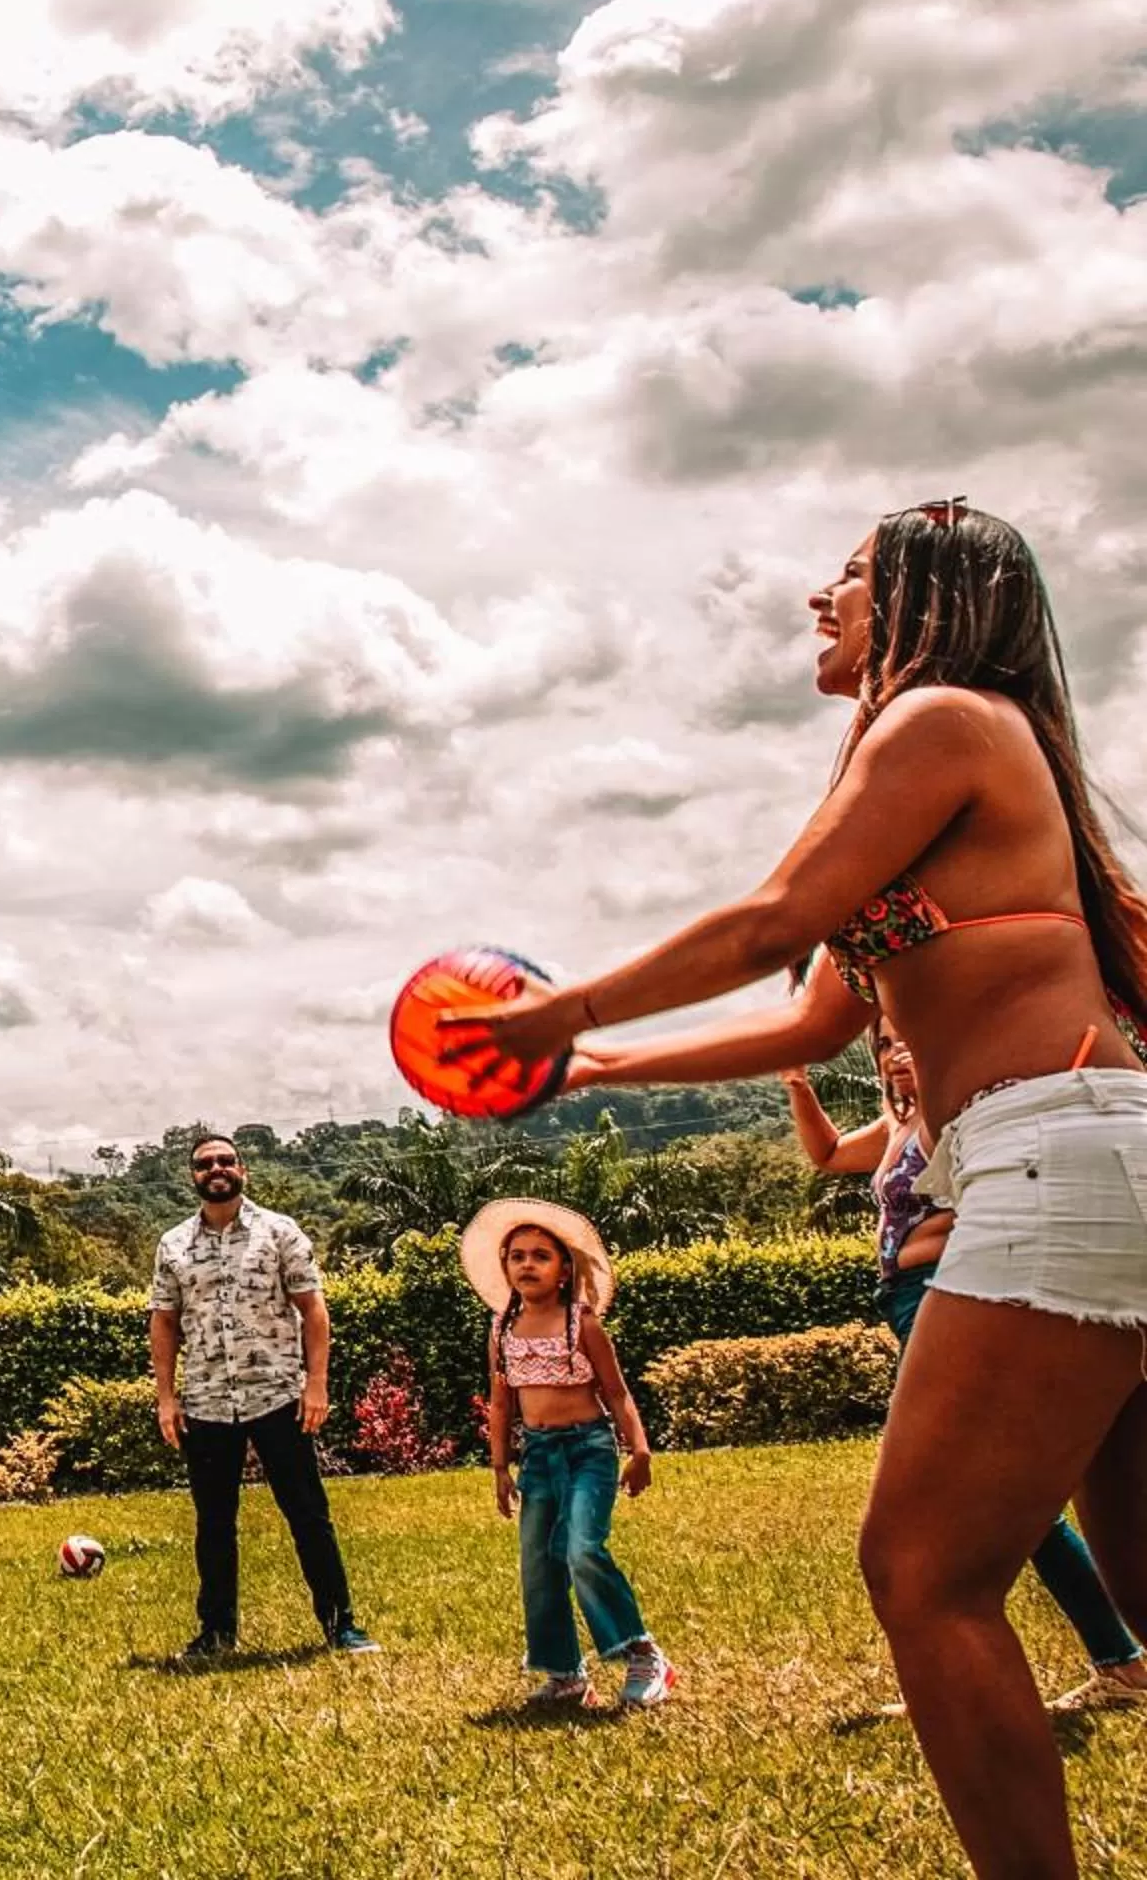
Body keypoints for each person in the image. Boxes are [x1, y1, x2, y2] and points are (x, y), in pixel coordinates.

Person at [444, 500, 1147, 1879]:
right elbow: (820, 1018)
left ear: (927, 599)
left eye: (850, 576)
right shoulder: (951, 752)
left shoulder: (941, 715)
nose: (817, 598)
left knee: (924, 1578)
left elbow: (770, 921)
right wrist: (594, 1065)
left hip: (1055, 1153)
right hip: (1091, 1153)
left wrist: (554, 1007)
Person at [781, 1025, 1147, 1716]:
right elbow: (827, 1154)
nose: (897, 1051)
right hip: (908, 1298)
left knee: (995, 1494)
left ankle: (1104, 1658)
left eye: (907, 1036)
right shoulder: (901, 1124)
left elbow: (998, 1199)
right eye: (885, 1043)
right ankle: (1117, 1659)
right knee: (1011, 1498)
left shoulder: (960, 1114)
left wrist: (917, 1245)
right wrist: (798, 1083)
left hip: (950, 1289)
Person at [149, 1134, 379, 1658]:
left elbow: (313, 1311)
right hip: (205, 1401)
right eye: (205, 1164)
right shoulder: (173, 1244)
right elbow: (164, 1322)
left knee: (308, 1514)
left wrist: (315, 1384)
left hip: (278, 1395)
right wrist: (166, 1397)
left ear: (243, 1170)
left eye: (226, 1161)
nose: (216, 1169)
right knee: (213, 1525)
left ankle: (341, 1626)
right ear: (193, 1177)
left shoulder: (279, 1232)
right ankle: (215, 1633)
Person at [467, 1200, 673, 1710]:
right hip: (538, 1456)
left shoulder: (581, 1324)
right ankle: (565, 1674)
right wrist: (499, 1465)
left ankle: (644, 1654)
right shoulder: (501, 1329)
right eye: (517, 1256)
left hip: (588, 1449)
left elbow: (618, 1392)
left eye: (541, 1255)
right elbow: (500, 1400)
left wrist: (639, 1449)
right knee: (539, 1562)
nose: (527, 1264)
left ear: (565, 1270)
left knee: (583, 1548)